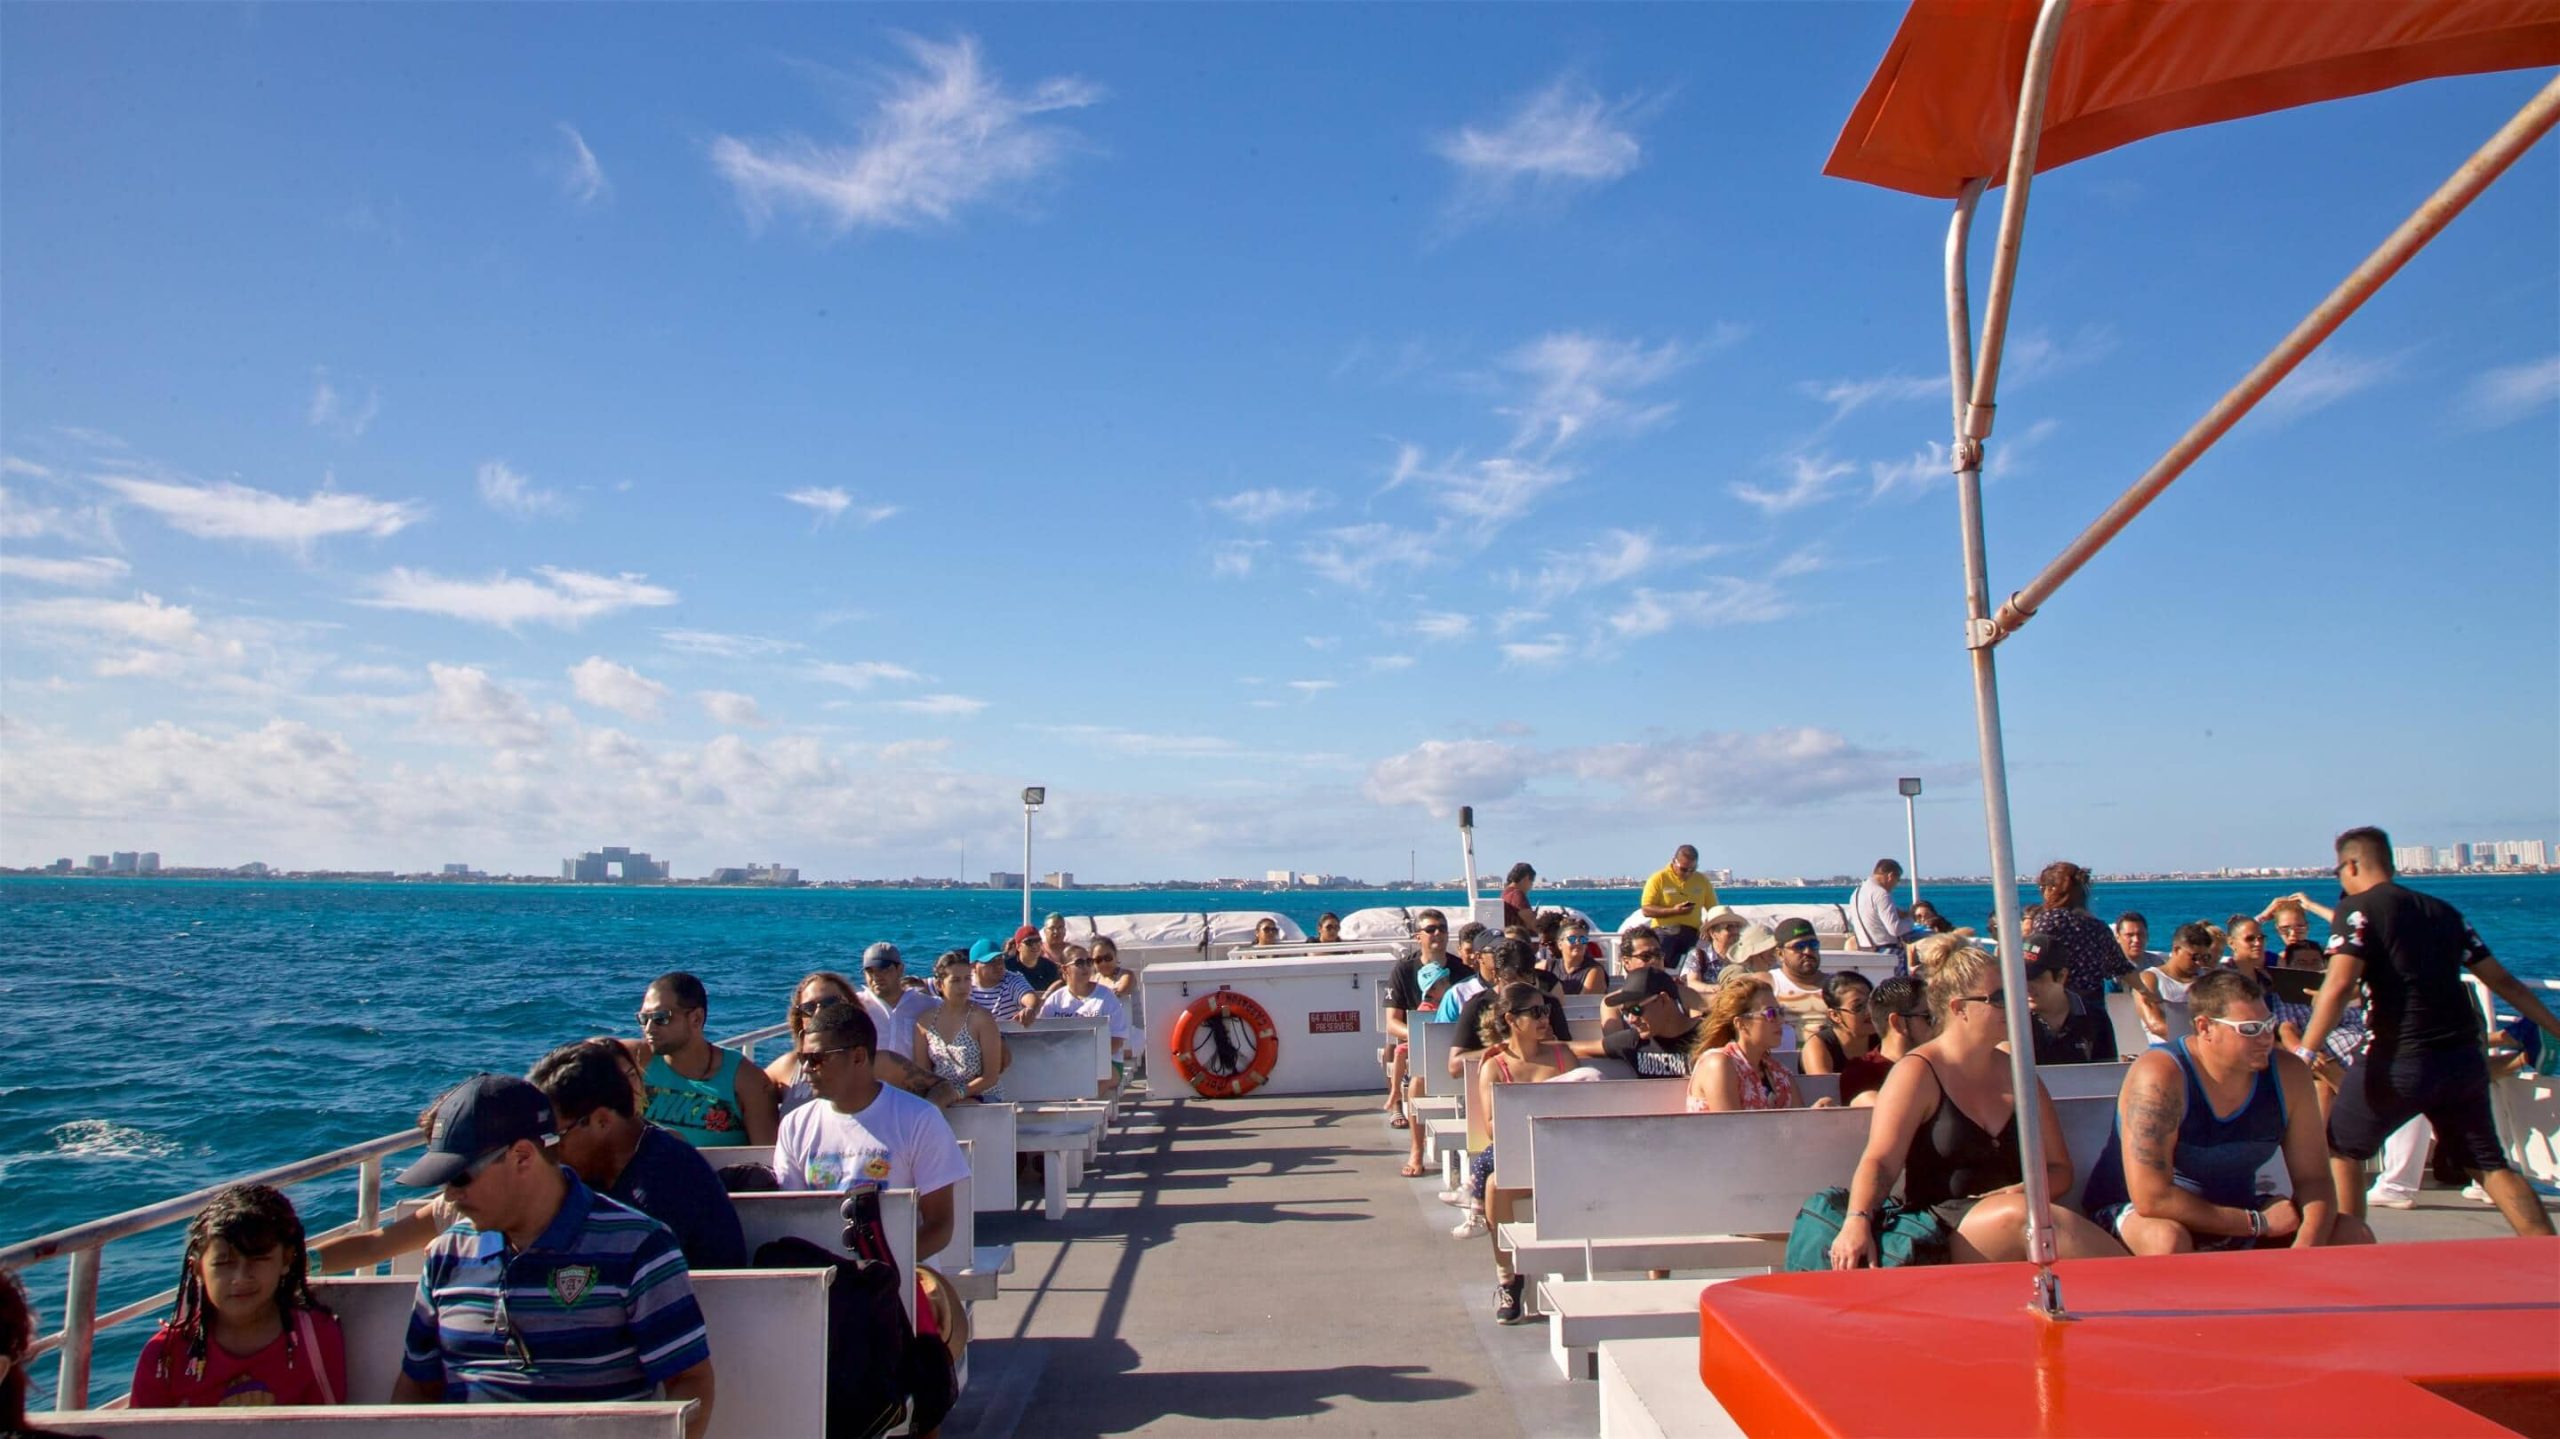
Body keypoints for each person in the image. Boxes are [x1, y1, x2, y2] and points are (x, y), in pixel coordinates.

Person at [391, 1075, 715, 1436]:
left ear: (522, 1157)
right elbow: (418, 1386)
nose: (449, 1196)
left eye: (460, 1179)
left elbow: (690, 1381)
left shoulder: (639, 1247)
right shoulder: (445, 1255)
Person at [2302, 825, 2560, 1237]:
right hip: (2461, 1060)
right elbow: (2504, 983)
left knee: (2341, 1148)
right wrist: (2555, 1028)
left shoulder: (2358, 910)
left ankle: (2351, 1248)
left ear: (2351, 864)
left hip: (2396, 1058)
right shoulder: (2443, 912)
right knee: (2488, 1163)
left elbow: (2338, 986)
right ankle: (2547, 1253)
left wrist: (2306, 1053)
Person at [1829, 932, 2123, 1268]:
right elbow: (1880, 1160)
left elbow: (2059, 1169)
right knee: (2025, 1220)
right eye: (1999, 998)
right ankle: (2151, 1295)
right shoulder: (1919, 1073)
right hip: (1941, 1226)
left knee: (2026, 1218)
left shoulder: (2019, 1075)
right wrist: (1857, 1219)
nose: (2015, 1005)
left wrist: (2020, 1192)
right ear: (1959, 1008)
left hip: (2017, 1214)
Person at [2078, 969, 2372, 1254]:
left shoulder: (2288, 1074)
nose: (2266, 1038)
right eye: (2249, 1030)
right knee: (2166, 1239)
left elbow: (2314, 1179)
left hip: (2236, 1211)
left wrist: (2307, 1247)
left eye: (2268, 1025)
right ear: (2205, 1027)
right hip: (2139, 1214)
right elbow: (2152, 1198)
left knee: (2350, 1233)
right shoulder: (2161, 1076)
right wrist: (2258, 1223)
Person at [774, 1004, 969, 1262]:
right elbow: (790, 1217)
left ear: (858, 1057)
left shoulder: (919, 1119)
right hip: (824, 1280)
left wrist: (879, 1270)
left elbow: (939, 1226)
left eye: (817, 1058)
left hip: (900, 1278)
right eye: (803, 1058)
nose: (807, 1068)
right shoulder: (795, 1125)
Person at [530, 1041, 746, 1272]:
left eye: (556, 1138)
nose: (548, 1153)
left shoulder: (664, 1187)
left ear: (602, 1121)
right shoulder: (612, 1162)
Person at [129, 1183, 344, 1408]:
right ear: (197, 1269)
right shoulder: (164, 1357)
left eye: (258, 1258)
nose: (240, 1277)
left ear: (287, 1260)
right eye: (223, 1262)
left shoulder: (317, 1336)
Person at [1467, 982, 1588, 1324]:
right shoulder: (1495, 1066)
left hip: (1565, 1157)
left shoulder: (1564, 1057)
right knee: (1494, 1185)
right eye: (1535, 1012)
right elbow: (1492, 1127)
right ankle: (1508, 1278)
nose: (1544, 1018)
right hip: (1523, 1156)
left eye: (1546, 1010)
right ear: (1511, 1019)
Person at [632, 972, 777, 1147]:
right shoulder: (637, 1062)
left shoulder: (745, 1080)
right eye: (644, 1018)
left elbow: (766, 1159)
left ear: (696, 1018)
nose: (649, 1028)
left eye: (660, 1018)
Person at [1687, 977, 1816, 1113]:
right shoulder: (1718, 1064)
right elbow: (1731, 1129)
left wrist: (1815, 1115)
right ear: (1741, 1024)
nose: (1780, 1021)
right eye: (1770, 1013)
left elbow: (1800, 1126)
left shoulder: (1780, 1074)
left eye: (1780, 1012)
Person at [763, 971, 882, 1116]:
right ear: (799, 1017)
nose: (819, 1012)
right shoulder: (785, 1068)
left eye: (830, 1003)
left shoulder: (881, 1063)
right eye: (809, 1008)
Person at [2024, 863, 2137, 1006]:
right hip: (2093, 1010)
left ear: (2051, 889)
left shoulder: (2048, 921)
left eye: (2042, 888)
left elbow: (2031, 960)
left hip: (2060, 1007)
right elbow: (2122, 968)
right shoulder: (2099, 927)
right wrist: (2148, 991)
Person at [1382, 908, 1451, 1137]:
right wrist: (1423, 1036)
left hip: (1451, 1042)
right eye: (1431, 929)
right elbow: (1392, 1023)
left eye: (1442, 928)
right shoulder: (1403, 971)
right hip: (1418, 1044)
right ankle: (1416, 1147)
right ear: (1418, 936)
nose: (1438, 933)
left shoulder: (1460, 971)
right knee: (1399, 1054)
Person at [920, 950, 1009, 1102]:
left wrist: (956, 1094)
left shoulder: (982, 1018)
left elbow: (990, 1077)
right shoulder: (925, 1021)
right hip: (940, 1097)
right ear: (940, 984)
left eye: (967, 979)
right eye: (955, 980)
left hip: (981, 1094)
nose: (963, 986)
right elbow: (922, 1073)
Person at [1577, 969, 1701, 1076]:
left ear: (1663, 1000)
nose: (1631, 1019)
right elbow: (1570, 1048)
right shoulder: (1634, 1040)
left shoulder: (1711, 1035)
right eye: (1626, 1011)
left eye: (1636, 1009)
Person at [2024, 934, 2119, 1066]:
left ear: (2061, 976)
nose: (2026, 986)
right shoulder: (2008, 1019)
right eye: (2020, 976)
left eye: (2035, 978)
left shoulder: (2095, 1018)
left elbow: (2105, 1076)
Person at [1027, 948, 1131, 1060]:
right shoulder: (1055, 1000)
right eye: (1080, 963)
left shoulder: (1106, 996)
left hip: (1105, 1060)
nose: (1086, 966)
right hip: (1062, 1061)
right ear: (1065, 969)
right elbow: (1043, 1036)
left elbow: (1117, 1040)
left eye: (1089, 962)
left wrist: (1085, 1058)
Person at [1851, 977, 1935, 1108]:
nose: (1939, 1025)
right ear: (1898, 1023)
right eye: (1929, 1017)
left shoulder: (1941, 1065)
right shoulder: (1863, 1073)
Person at [2132, 922, 2219, 1046]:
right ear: (2176, 949)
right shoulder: (2150, 979)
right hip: (2168, 1050)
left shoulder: (2207, 978)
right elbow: (2156, 1026)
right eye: (2195, 957)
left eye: (2205, 957)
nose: (2199, 963)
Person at [1639, 844, 1718, 971]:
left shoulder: (1701, 880)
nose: (1688, 873)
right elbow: (1646, 909)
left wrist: (1707, 927)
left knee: (1698, 966)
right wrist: (1674, 911)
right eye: (1684, 869)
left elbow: (1714, 910)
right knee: (1661, 966)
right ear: (1674, 861)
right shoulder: (1658, 878)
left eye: (1692, 870)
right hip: (1664, 932)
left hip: (1693, 933)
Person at [862, 943, 939, 1064]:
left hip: (911, 1081)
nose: (876, 976)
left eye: (884, 969)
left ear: (900, 969)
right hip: (870, 1082)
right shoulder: (857, 1005)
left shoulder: (928, 1005)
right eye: (870, 971)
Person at [1802, 972, 1881, 1085]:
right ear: (1835, 1015)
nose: (1869, 1012)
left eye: (1872, 1004)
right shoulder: (1819, 1045)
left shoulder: (1884, 1038)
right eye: (1858, 1007)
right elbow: (1823, 1091)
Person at [1766, 918, 1834, 1049]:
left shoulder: (1836, 985)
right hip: (1782, 1063)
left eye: (1813, 944)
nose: (1808, 951)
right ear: (1780, 954)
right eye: (1799, 946)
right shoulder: (1768, 983)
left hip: (1829, 1063)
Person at [1848, 859, 1924, 957]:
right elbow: (1895, 929)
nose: (1896, 885)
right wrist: (1911, 919)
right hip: (1885, 952)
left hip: (1864, 950)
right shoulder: (1881, 894)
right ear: (1890, 876)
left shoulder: (1857, 893)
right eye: (1898, 880)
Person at [1680, 906, 1751, 994]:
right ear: (1713, 933)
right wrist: (1720, 990)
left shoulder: (1746, 955)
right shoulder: (1698, 955)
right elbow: (1692, 983)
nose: (1735, 931)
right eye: (1729, 927)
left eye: (1737, 926)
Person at [968, 939, 1035, 1023]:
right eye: (991, 962)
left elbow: (1029, 996)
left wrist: (1030, 1009)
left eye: (1000, 960)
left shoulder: (1012, 979)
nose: (998, 965)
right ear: (973, 967)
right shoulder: (965, 983)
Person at [1007, 925, 1061, 992]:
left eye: (1038, 941)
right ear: (1018, 947)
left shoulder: (1050, 968)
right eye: (1029, 942)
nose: (1035, 945)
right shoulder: (1007, 967)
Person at [1091, 935, 1137, 1004]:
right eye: (1098, 960)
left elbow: (1118, 994)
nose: (1103, 963)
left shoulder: (1126, 976)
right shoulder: (1093, 980)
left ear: (1115, 956)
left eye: (1108, 958)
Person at [1500, 862, 1537, 932]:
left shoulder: (1505, 893)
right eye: (1532, 881)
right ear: (1526, 878)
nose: (1531, 886)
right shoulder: (1517, 895)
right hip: (1521, 939)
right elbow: (1532, 923)